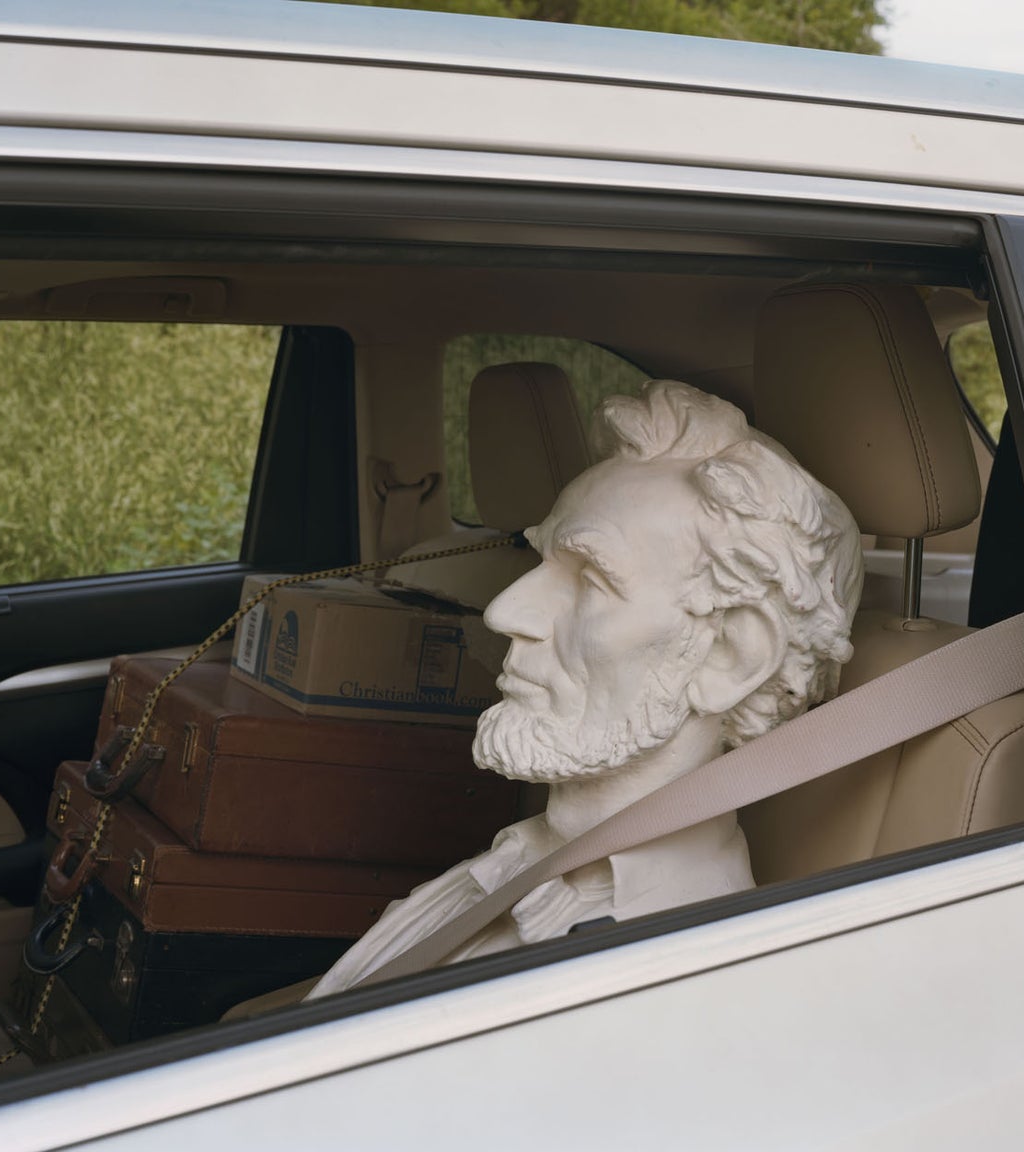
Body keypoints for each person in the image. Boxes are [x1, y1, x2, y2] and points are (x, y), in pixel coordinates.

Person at [308, 380, 863, 997]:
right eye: (540, 563)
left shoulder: (666, 985)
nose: (505, 610)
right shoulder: (509, 869)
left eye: (592, 579)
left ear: (730, 655)